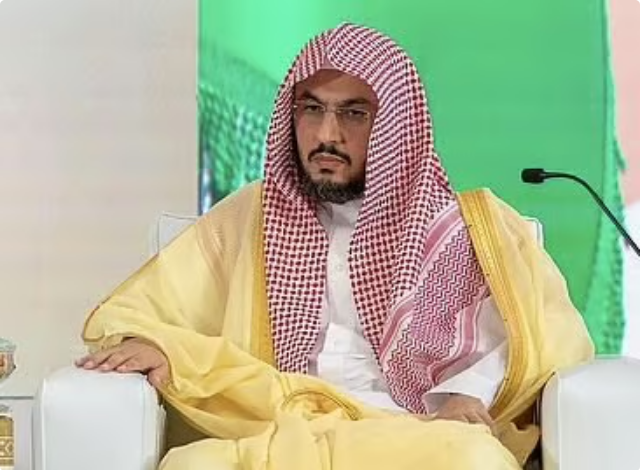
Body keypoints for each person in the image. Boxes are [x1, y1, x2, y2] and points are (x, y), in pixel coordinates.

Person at [77, 23, 594, 469]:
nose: (326, 134)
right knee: (194, 464)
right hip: (279, 429)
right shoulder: (250, 218)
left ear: (396, 125)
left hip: (412, 432)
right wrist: (160, 345)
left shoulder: (467, 227)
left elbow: (543, 335)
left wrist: (465, 393)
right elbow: (150, 307)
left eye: (353, 114)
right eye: (312, 109)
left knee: (471, 459)